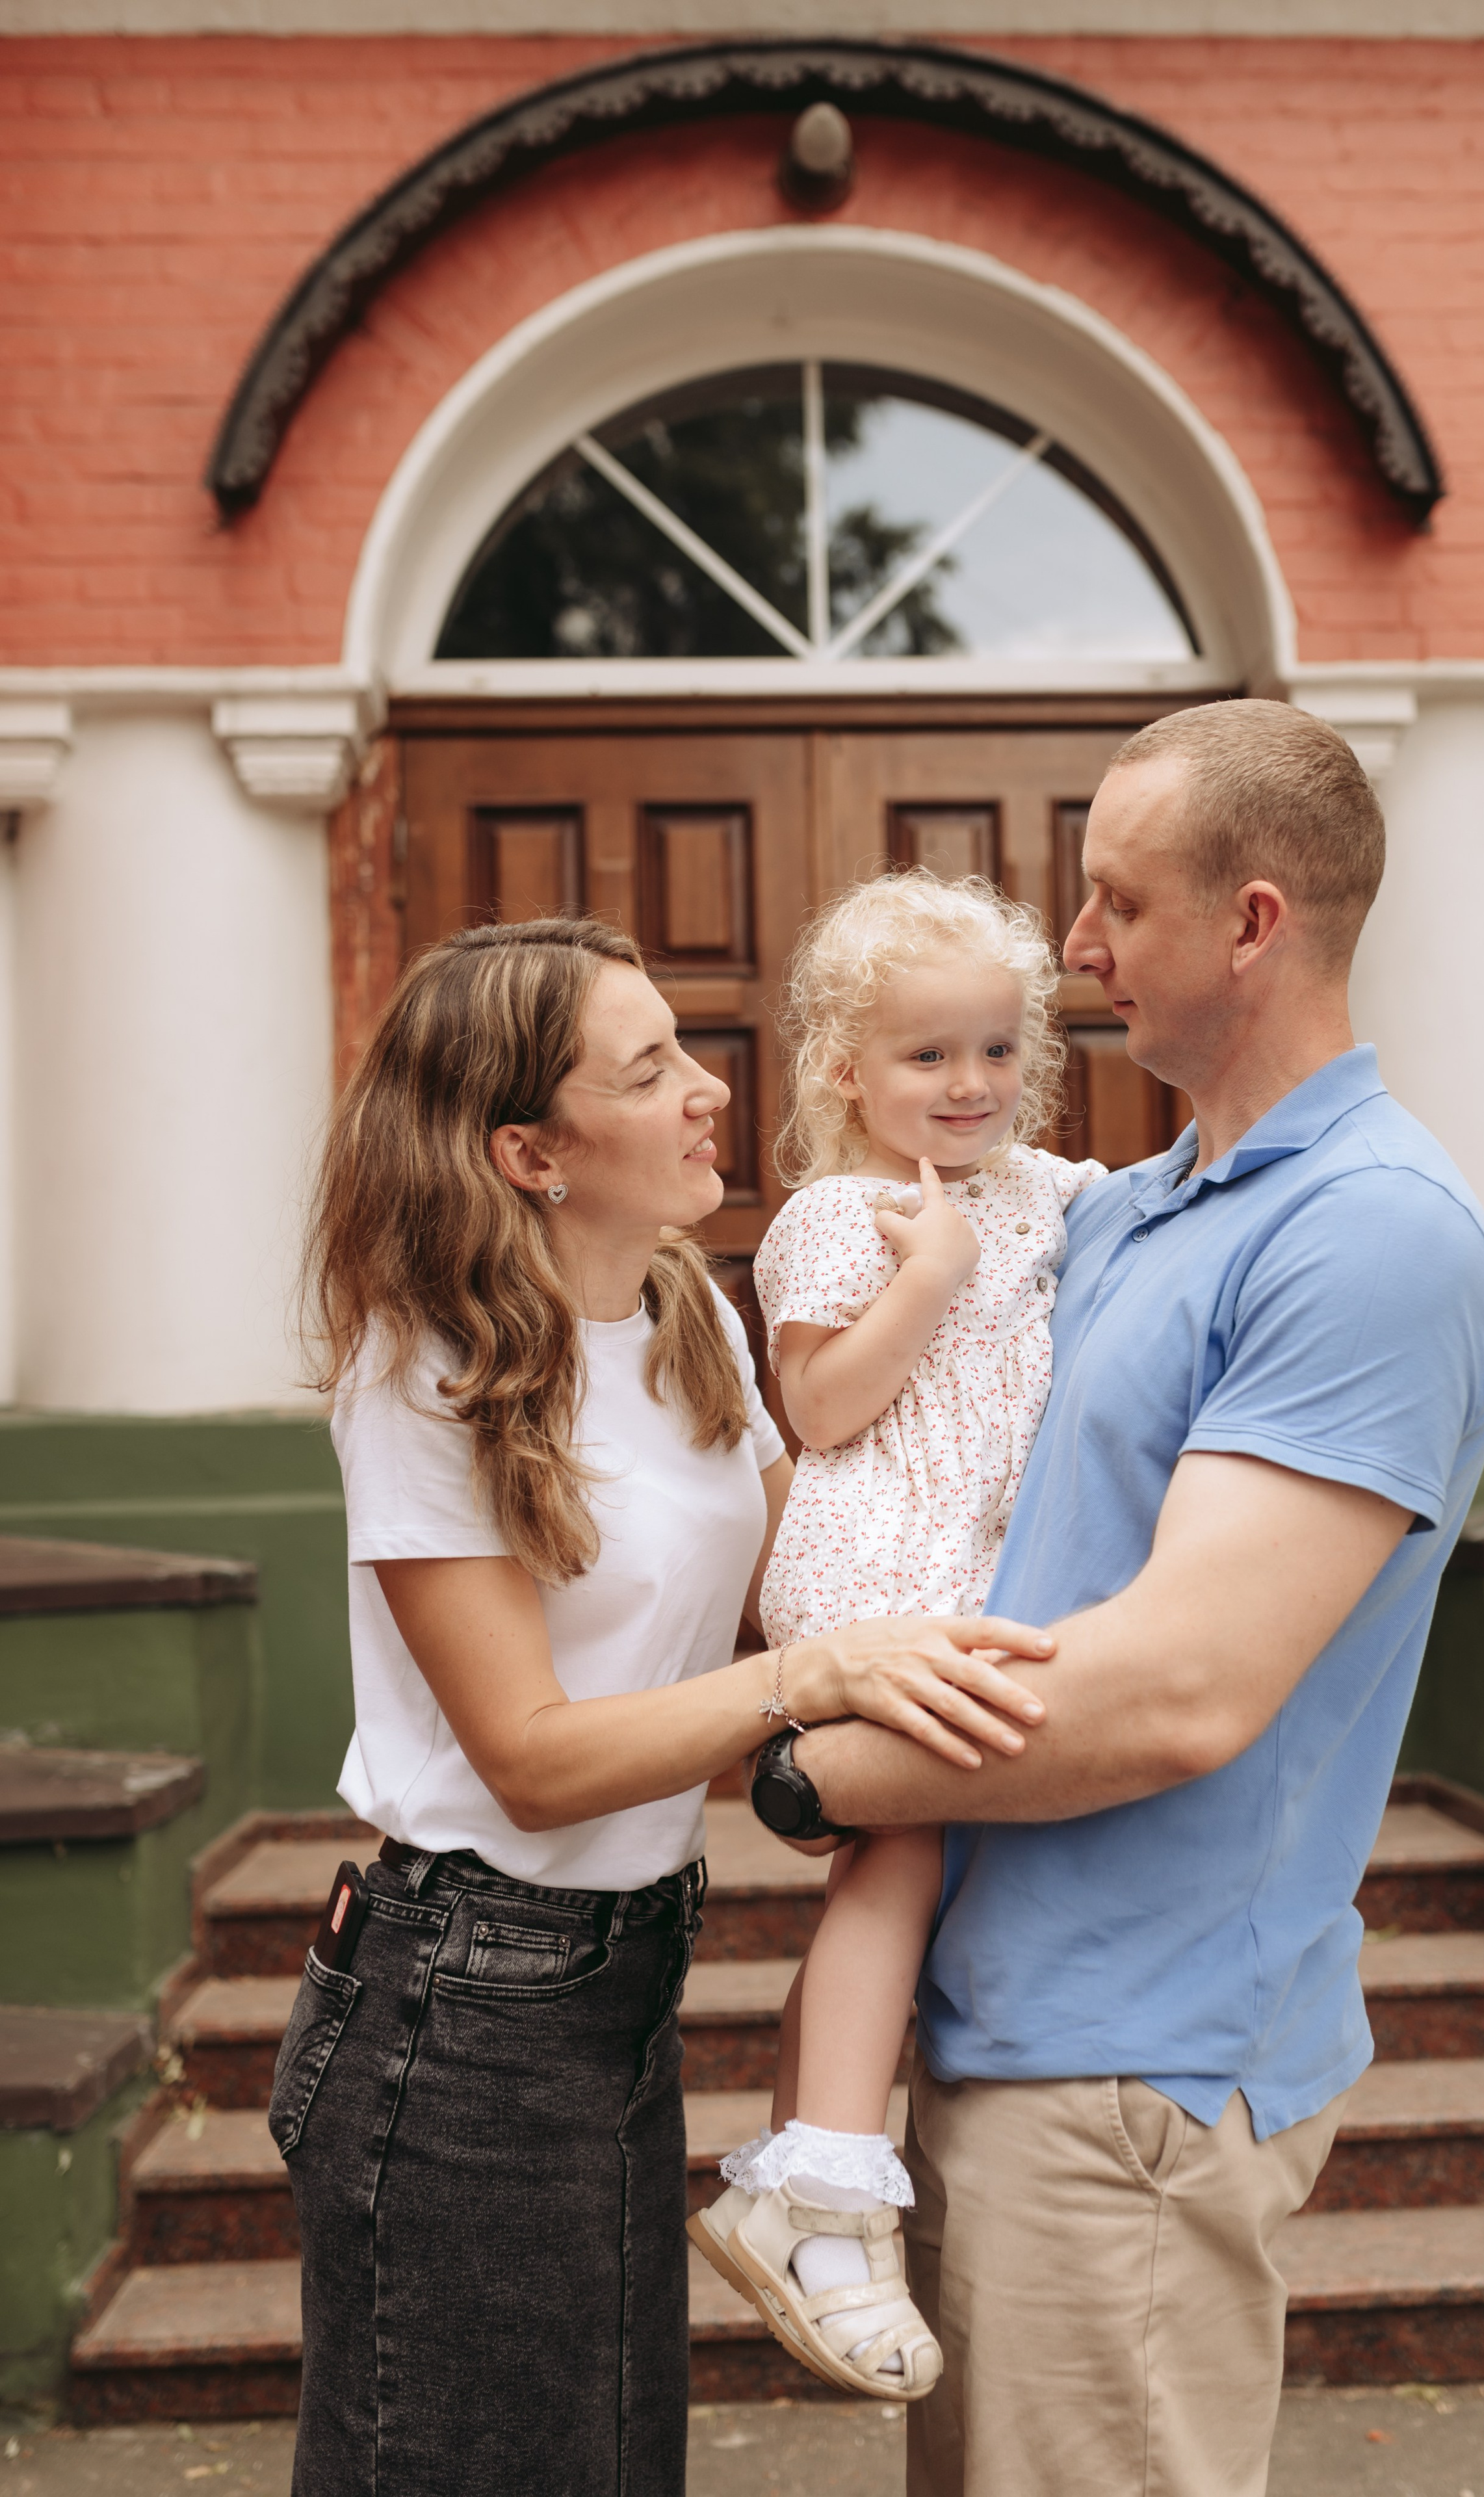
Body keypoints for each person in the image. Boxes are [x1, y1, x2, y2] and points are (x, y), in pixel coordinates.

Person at [779, 702, 1484, 2497]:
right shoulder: (1126, 1211)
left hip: (1134, 2075)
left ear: (1254, 921)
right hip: (1003, 2018)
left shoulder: (1371, 1229)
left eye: (1118, 903)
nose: (1079, 947)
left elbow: (1181, 1685)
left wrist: (810, 1771)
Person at [272, 916, 1055, 2497]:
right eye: (647, 1071)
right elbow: (536, 1758)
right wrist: (811, 1681)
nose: (710, 1090)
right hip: (458, 2011)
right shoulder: (425, 1374)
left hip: (623, 1991)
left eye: (685, 1048)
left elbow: (802, 1582)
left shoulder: (688, 1313)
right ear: (529, 1151)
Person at [688, 873, 1105, 2401]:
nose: (969, 1085)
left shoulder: (1039, 1190)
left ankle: (800, 2177)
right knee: (909, 1855)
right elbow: (821, 1406)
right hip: (882, 1570)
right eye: (928, 1057)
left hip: (981, 1568)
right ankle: (827, 2184)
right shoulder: (834, 1216)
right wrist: (924, 1276)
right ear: (845, 1070)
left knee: (894, 1866)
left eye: (996, 1051)